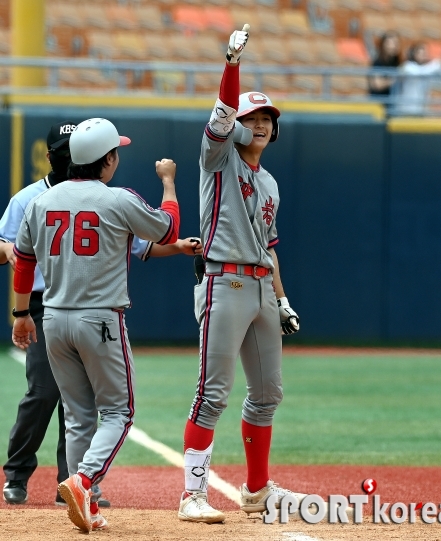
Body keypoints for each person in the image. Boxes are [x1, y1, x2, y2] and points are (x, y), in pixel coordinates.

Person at [1, 122, 201, 509]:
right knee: (119, 413)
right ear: (106, 159)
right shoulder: (116, 198)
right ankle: (84, 481)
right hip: (99, 318)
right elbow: (167, 227)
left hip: (53, 318)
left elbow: (23, 261)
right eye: (116, 153)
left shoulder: (41, 201)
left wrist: (21, 312)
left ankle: (84, 500)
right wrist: (169, 183)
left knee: (78, 416)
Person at [177, 26, 304, 524]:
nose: (261, 124)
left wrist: (283, 299)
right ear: (236, 125)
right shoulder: (218, 158)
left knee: (268, 392)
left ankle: (256, 491)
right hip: (223, 282)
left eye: (268, 118)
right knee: (213, 391)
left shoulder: (270, 181)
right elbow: (223, 112)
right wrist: (232, 61)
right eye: (252, 117)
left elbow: (269, 247)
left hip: (259, 287)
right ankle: (191, 494)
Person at [0, 121, 110, 508]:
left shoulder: (98, 195)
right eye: (62, 151)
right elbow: (2, 244)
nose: (69, 157)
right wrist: (9, 251)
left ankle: (72, 483)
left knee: (80, 399)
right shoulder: (29, 197)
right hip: (44, 304)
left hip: (89, 303)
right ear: (50, 157)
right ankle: (16, 474)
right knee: (44, 393)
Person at [395, 42, 441, 116]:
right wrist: (435, 65)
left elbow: (440, 77)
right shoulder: (407, 66)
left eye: (424, 53)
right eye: (419, 53)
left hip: (421, 109)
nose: (422, 55)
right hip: (406, 108)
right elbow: (418, 71)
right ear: (413, 54)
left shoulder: (428, 69)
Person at [368, 31, 401, 111]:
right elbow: (377, 84)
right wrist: (394, 80)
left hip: (392, 105)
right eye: (392, 43)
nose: (394, 46)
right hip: (378, 105)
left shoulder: (396, 62)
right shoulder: (378, 62)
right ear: (384, 45)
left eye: (396, 43)